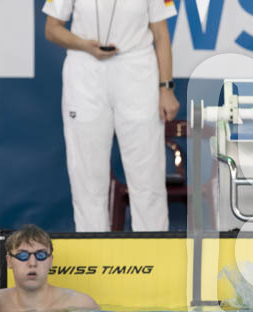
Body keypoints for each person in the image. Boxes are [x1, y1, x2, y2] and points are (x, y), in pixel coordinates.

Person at [43, 0, 180, 231]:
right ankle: (93, 246)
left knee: (147, 174)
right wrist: (85, 45)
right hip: (85, 71)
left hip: (137, 70)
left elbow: (161, 33)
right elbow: (52, 28)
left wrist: (166, 88)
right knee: (86, 174)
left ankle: (153, 246)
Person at [0, 224, 100, 312]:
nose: (32, 263)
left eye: (41, 255)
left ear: (50, 261)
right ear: (9, 261)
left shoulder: (81, 305)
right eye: (23, 255)